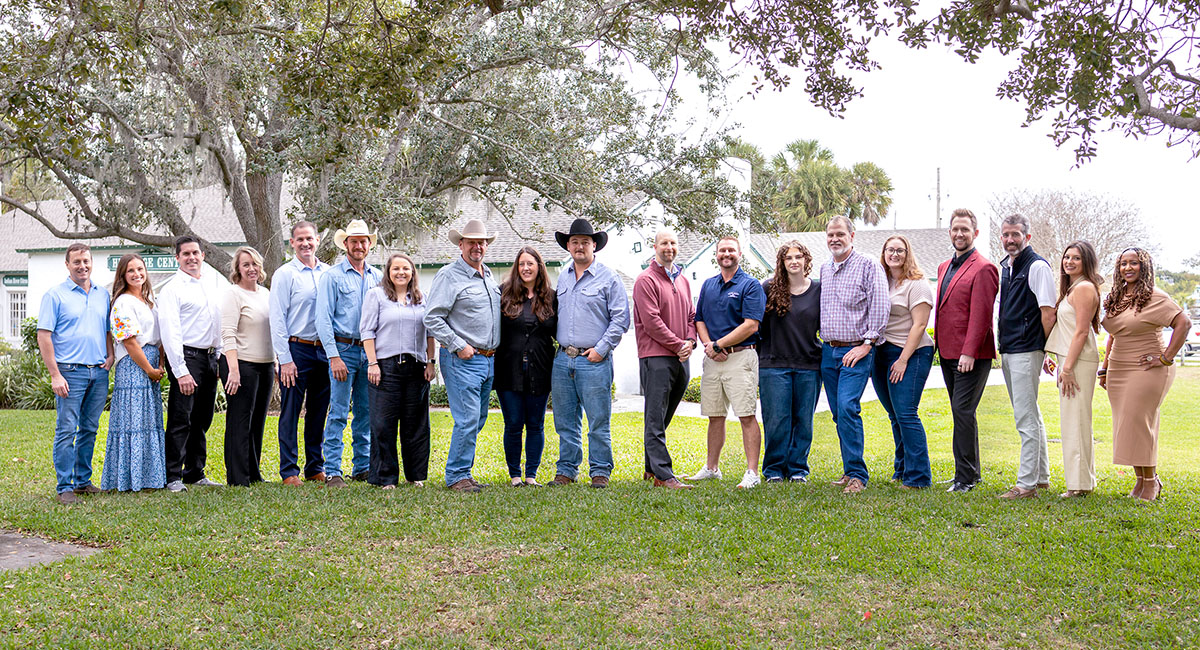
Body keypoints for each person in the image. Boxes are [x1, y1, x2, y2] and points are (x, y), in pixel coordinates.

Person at [1100, 247, 1189, 502]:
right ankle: (1140, 480)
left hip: (1148, 368)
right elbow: (1113, 334)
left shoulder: (1156, 297)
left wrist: (1165, 358)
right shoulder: (1117, 297)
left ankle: (1151, 482)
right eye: (1123, 263)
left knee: (1140, 421)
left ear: (1145, 266)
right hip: (1119, 367)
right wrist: (1105, 368)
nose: (1128, 268)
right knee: (1127, 423)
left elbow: (1183, 323)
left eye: (1134, 263)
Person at [550, 218, 630, 489]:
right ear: (568, 246)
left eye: (585, 242)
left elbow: (620, 320)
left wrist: (601, 349)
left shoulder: (609, 278)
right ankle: (566, 470)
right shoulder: (563, 277)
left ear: (594, 245)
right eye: (574, 242)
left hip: (594, 361)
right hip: (563, 360)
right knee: (565, 421)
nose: (579, 246)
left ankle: (600, 471)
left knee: (598, 420)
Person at [424, 219, 501, 493]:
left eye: (481, 242)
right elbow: (432, 318)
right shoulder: (448, 275)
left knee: (477, 419)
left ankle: (464, 471)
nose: (477, 247)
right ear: (461, 245)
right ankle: (457, 475)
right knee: (468, 418)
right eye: (471, 242)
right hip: (462, 359)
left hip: (488, 360)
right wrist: (458, 345)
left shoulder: (488, 276)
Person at [36, 243, 113, 504]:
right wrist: (55, 375)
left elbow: (107, 330)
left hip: (98, 372)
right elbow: (44, 336)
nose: (82, 266)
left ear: (92, 263)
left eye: (86, 261)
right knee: (67, 429)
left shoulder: (102, 294)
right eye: (77, 262)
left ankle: (82, 482)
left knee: (89, 428)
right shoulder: (54, 295)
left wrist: (110, 355)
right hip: (69, 372)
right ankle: (64, 487)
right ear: (67, 264)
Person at [819, 216, 889, 495]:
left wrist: (867, 343)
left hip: (856, 350)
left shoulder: (868, 265)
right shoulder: (825, 269)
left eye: (840, 234)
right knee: (839, 413)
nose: (834, 239)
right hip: (828, 351)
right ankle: (849, 470)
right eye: (830, 234)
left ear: (852, 235)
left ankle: (858, 475)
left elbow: (880, 305)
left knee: (847, 406)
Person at [690, 235, 766, 489]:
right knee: (715, 415)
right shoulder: (708, 285)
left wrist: (718, 345)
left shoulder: (750, 285)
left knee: (746, 415)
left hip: (741, 357)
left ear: (739, 254)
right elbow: (699, 319)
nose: (726, 254)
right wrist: (709, 346)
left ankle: (752, 472)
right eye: (722, 250)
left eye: (731, 250)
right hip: (713, 359)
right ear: (716, 254)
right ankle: (712, 468)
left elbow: (751, 325)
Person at [935, 209, 999, 493]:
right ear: (949, 232)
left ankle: (966, 478)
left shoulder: (984, 268)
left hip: (971, 355)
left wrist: (969, 352)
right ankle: (970, 471)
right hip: (947, 351)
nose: (959, 234)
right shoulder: (943, 267)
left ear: (975, 233)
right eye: (955, 229)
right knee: (961, 412)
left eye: (965, 229)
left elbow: (982, 315)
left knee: (962, 410)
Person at [316, 219, 383, 487]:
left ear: (369, 245)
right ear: (345, 244)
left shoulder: (378, 277)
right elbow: (323, 319)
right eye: (354, 241)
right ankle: (333, 470)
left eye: (363, 241)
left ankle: (362, 466)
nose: (359, 246)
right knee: (339, 412)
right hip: (343, 350)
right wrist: (334, 356)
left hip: (370, 352)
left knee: (366, 412)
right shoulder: (332, 276)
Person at [995, 213, 1057, 500]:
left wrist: (1046, 350)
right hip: (1010, 348)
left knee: (1025, 418)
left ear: (1027, 237)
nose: (1010, 239)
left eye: (1016, 234)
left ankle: (1025, 485)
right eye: (1006, 234)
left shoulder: (1037, 266)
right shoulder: (1007, 267)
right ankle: (1041, 478)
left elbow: (1048, 312)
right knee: (1032, 413)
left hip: (1027, 348)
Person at [362, 253, 436, 489]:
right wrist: (373, 363)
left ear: (412, 272)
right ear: (388, 272)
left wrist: (431, 361)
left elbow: (430, 332)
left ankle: (415, 475)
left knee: (416, 424)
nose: (401, 272)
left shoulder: (422, 298)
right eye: (396, 269)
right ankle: (385, 477)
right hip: (385, 368)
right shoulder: (376, 295)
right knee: (383, 424)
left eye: (406, 268)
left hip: (416, 368)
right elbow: (367, 332)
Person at [632, 229, 696, 489]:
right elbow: (651, 322)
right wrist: (678, 344)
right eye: (664, 243)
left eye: (673, 243)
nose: (669, 247)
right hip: (656, 356)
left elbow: (691, 315)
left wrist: (690, 341)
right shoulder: (645, 280)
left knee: (662, 416)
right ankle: (663, 475)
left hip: (681, 357)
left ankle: (650, 467)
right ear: (655, 247)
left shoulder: (683, 280)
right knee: (655, 416)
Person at [159, 235, 223, 492]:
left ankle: (195, 472)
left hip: (210, 358)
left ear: (203, 255)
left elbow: (218, 322)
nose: (191, 258)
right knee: (181, 418)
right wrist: (181, 371)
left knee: (202, 417)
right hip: (187, 358)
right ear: (177, 258)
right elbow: (170, 332)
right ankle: (172, 476)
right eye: (186, 254)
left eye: (195, 253)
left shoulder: (211, 283)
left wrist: (218, 356)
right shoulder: (172, 289)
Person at [269, 221, 331, 486]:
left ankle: (315, 467)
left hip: (324, 350)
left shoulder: (329, 273)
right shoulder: (285, 274)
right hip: (297, 349)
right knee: (291, 411)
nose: (306, 243)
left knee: (318, 411)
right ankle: (289, 471)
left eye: (310, 238)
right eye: (300, 239)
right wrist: (285, 359)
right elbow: (277, 318)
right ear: (292, 243)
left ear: (317, 240)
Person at [871, 236, 935, 489]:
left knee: (906, 413)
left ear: (908, 254)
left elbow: (920, 325)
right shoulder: (881, 281)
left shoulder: (917, 284)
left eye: (900, 250)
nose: (894, 254)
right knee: (895, 414)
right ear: (884, 253)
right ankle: (902, 469)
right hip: (882, 352)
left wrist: (903, 360)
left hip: (912, 353)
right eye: (890, 250)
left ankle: (918, 477)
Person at [757, 241, 821, 484]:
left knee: (803, 421)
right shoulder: (768, 288)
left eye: (798, 256)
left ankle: (797, 469)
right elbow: (755, 325)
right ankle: (774, 469)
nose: (794, 261)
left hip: (809, 364)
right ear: (782, 263)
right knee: (777, 420)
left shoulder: (818, 289)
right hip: (774, 365)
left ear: (806, 260)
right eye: (788, 258)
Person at [101, 254, 166, 492]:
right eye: (131, 270)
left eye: (140, 269)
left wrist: (159, 364)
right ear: (123, 275)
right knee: (134, 421)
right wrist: (148, 369)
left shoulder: (150, 301)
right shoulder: (122, 303)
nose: (137, 274)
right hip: (134, 366)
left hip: (151, 364)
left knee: (148, 420)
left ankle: (150, 477)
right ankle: (130, 478)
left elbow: (160, 337)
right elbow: (129, 342)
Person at [1043, 241, 1102, 498]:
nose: (1069, 261)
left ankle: (1078, 486)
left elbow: (1081, 331)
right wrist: (1054, 356)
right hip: (1070, 359)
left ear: (1086, 261)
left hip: (1078, 362)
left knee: (1075, 421)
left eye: (1076, 258)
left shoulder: (1085, 288)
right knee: (1074, 420)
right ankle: (1083, 481)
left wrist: (1067, 369)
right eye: (1067, 257)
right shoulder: (1074, 288)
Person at [495, 247, 558, 488]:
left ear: (539, 267)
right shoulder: (503, 294)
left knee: (535, 424)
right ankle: (515, 475)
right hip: (508, 370)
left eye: (530, 263)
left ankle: (531, 474)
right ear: (516, 267)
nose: (526, 268)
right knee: (513, 424)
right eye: (521, 264)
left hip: (540, 369)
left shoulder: (551, 297)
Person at [218, 247, 274, 487]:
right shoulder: (233, 294)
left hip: (266, 364)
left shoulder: (266, 294)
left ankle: (253, 472)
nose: (252, 268)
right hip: (240, 364)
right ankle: (238, 477)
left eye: (255, 264)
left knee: (257, 421)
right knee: (240, 421)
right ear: (238, 269)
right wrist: (233, 370)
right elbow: (228, 333)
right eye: (246, 264)